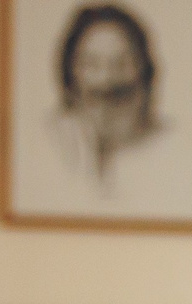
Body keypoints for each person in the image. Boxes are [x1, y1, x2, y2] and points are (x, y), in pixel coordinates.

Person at [49, 4, 160, 189]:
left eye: (122, 63)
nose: (107, 81)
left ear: (144, 71)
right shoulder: (47, 142)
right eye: (92, 65)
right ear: (70, 74)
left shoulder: (169, 144)